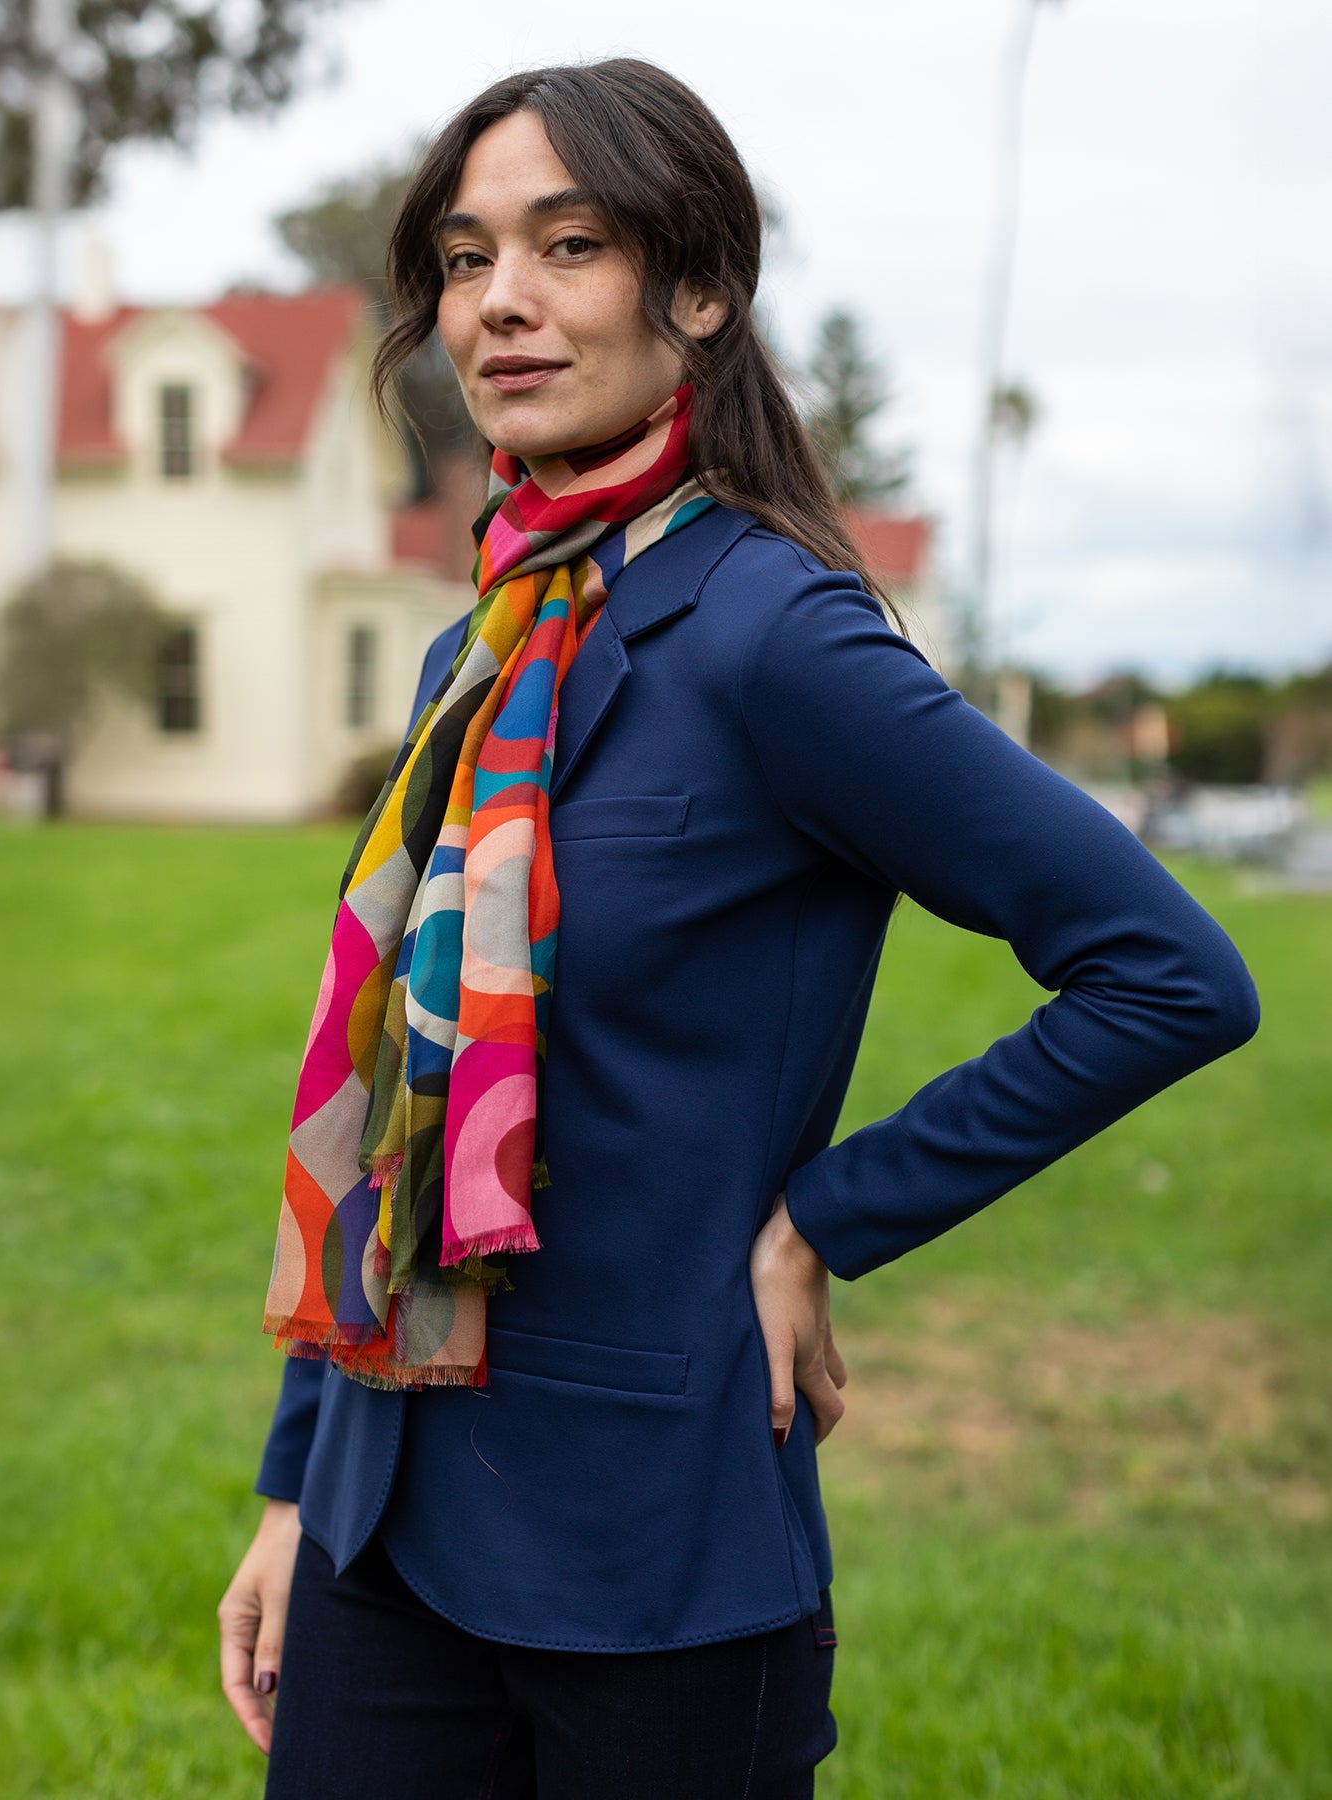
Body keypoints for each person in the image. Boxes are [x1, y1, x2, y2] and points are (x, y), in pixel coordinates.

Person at [218, 57, 1260, 1799]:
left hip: (655, 1548)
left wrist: (827, 1218)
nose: (502, 301)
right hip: (378, 1534)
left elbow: (1166, 973)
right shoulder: (479, 645)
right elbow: (394, 1102)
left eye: (569, 246)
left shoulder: (779, 634)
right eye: (467, 259)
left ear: (698, 289)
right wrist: (291, 1489)